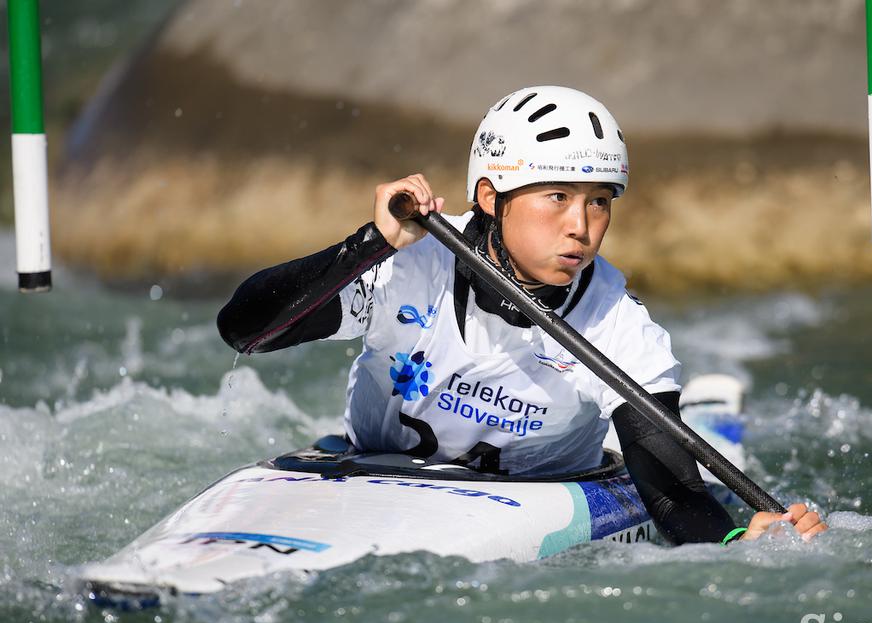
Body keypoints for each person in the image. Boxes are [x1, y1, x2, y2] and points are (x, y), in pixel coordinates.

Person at [217, 85, 827, 544]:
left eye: (597, 202)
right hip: (377, 469)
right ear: (491, 196)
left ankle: (707, 417)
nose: (581, 227)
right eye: (556, 196)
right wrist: (370, 241)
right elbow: (245, 331)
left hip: (537, 495)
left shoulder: (617, 325)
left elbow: (675, 497)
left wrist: (733, 543)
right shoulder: (411, 263)